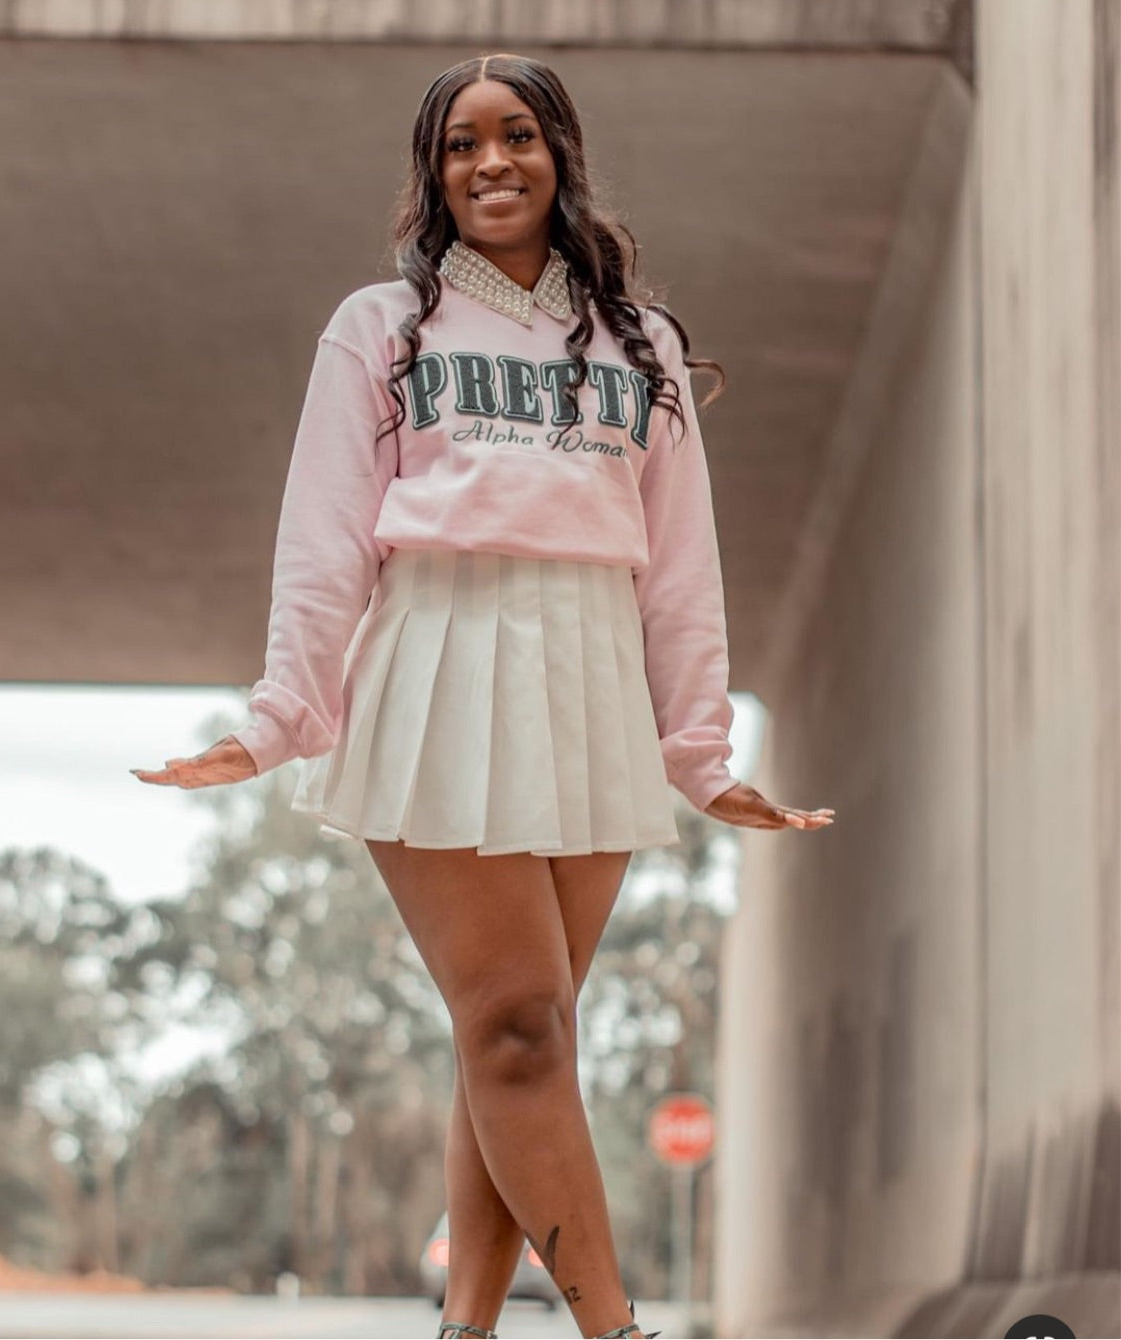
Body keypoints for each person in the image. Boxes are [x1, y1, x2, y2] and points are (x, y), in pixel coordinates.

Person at [131, 52, 833, 1340]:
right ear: (432, 173)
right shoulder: (379, 328)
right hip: (438, 662)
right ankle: (616, 1331)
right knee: (513, 1023)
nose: (491, 163)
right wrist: (280, 714)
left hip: (588, 683)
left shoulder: (641, 344)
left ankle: (467, 1327)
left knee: (524, 1034)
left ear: (561, 156)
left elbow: (681, 566)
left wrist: (700, 748)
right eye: (462, 145)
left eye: (517, 137)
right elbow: (325, 534)